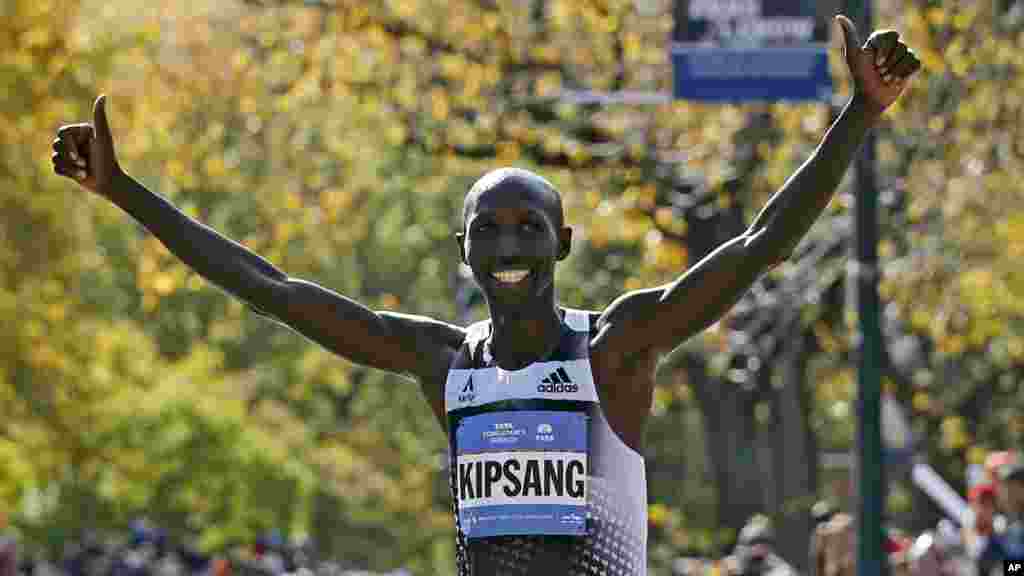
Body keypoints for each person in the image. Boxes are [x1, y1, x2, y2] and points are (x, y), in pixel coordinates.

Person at [50, 14, 920, 576]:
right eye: (490, 230)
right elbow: (269, 288)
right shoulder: (444, 363)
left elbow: (758, 246)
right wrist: (123, 191)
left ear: (564, 244)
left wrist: (858, 115)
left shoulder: (614, 349)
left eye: (529, 228)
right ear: (462, 249)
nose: (510, 248)